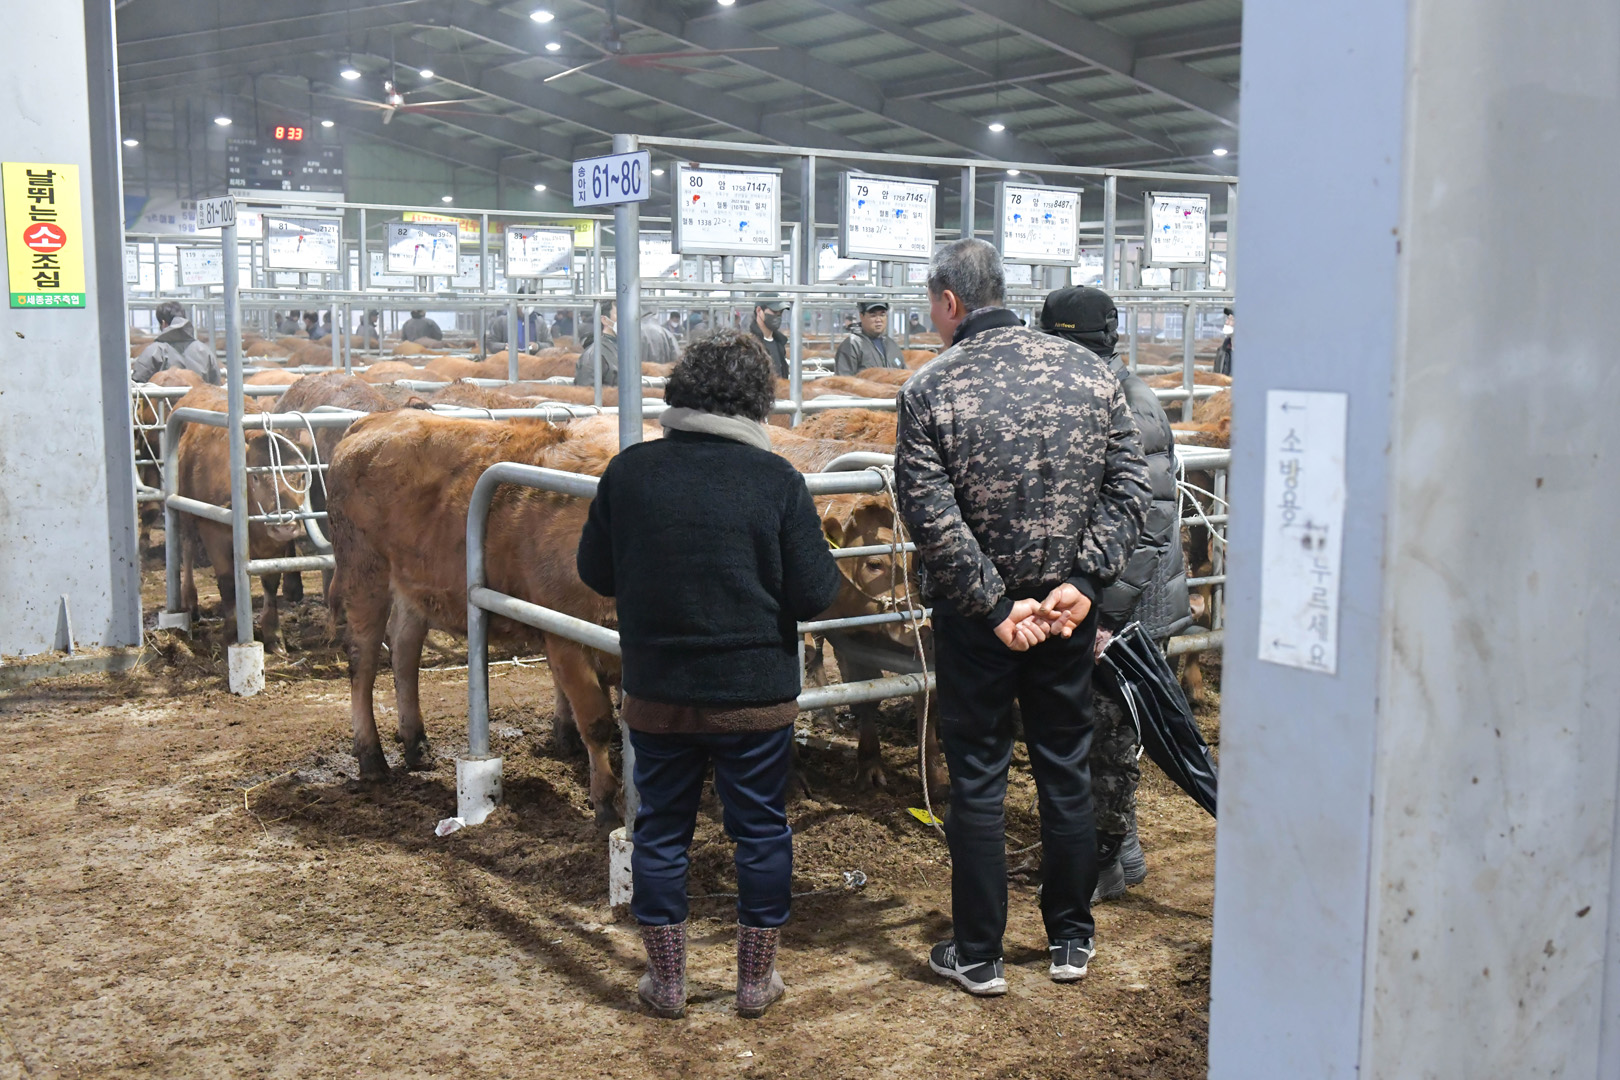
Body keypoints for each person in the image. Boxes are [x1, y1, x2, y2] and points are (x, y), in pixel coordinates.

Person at [894, 238, 1149, 996]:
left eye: (931, 306)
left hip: (979, 624)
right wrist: (1083, 581)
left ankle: (980, 953)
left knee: (978, 777)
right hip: (1066, 616)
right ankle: (1071, 936)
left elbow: (930, 512)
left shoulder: (930, 387)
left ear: (950, 302)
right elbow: (1129, 486)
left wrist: (996, 605)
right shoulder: (1091, 374)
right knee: (1065, 766)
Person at [577, 329, 841, 1020]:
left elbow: (595, 572)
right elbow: (818, 593)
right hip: (754, 697)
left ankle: (666, 982)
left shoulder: (629, 472)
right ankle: (755, 981)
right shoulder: (776, 479)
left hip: (658, 692)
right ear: (757, 402)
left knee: (660, 831)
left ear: (681, 393)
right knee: (760, 831)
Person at [1038, 285, 1193, 902]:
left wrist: (1107, 610)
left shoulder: (1129, 400)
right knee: (1103, 728)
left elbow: (1153, 516)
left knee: (1107, 729)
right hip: (1105, 595)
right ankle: (1119, 850)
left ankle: (1104, 861)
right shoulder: (1098, 390)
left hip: (1125, 603)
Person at [131, 301, 221, 384]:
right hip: (200, 396)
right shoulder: (205, 351)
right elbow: (215, 383)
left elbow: (138, 383)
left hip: (167, 397)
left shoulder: (155, 350)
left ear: (163, 323)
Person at [833, 300, 903, 377]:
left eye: (882, 315)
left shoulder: (892, 345)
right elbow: (844, 380)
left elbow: (903, 375)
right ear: (861, 316)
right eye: (873, 315)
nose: (878, 320)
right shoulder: (852, 345)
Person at [573, 300, 620, 387]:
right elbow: (586, 389)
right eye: (618, 314)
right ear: (604, 320)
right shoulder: (593, 354)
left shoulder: (624, 348)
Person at [747, 297, 789, 379]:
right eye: (774, 312)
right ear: (759, 311)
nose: (778, 316)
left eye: (780, 312)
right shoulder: (749, 345)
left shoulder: (779, 343)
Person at [1214, 306, 1234, 375]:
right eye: (1227, 319)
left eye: (1231, 320)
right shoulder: (1222, 351)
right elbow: (1216, 375)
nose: (1227, 322)